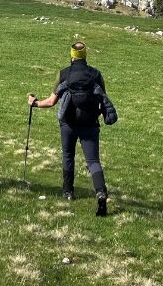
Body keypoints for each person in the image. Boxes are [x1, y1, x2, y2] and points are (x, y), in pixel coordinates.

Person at [27, 41, 110, 216]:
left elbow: (51, 102)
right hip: (90, 124)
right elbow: (103, 99)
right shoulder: (96, 74)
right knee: (93, 161)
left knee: (68, 155)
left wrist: (34, 103)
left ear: (72, 56)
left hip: (68, 123)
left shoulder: (63, 74)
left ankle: (68, 193)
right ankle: (101, 193)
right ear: (85, 55)